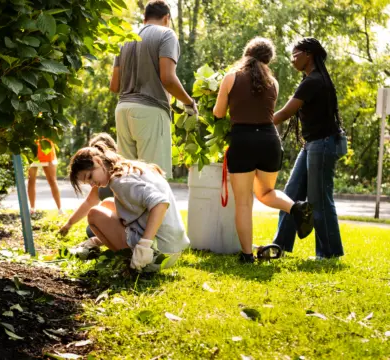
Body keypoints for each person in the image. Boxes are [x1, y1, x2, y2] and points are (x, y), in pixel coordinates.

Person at [213, 37, 315, 263]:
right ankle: (296, 208)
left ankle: (247, 256)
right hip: (269, 140)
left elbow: (219, 113)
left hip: (243, 140)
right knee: (265, 193)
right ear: (268, 59)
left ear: (246, 53)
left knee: (243, 203)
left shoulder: (231, 77)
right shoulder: (274, 83)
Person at [272, 38, 348, 259]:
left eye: (295, 54)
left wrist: (258, 124)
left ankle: (329, 253)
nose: (292, 59)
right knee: (291, 194)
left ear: (308, 54)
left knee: (319, 200)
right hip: (313, 145)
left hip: (323, 144)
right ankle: (281, 245)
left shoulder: (313, 81)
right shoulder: (313, 79)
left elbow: (285, 113)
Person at [67, 142, 189, 271]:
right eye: (88, 183)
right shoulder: (132, 167)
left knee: (94, 214)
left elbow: (160, 203)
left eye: (90, 177)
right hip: (173, 250)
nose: (92, 185)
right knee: (107, 204)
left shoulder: (119, 181)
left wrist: (144, 245)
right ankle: (96, 242)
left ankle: (128, 262)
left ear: (98, 161)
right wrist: (97, 240)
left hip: (155, 256)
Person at [109, 0, 197, 177]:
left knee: (127, 178)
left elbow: (114, 86)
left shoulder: (125, 39)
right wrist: (189, 103)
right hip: (150, 112)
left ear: (144, 18)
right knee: (154, 179)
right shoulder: (166, 35)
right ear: (167, 18)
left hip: (123, 111)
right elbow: (168, 79)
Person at [58, 133, 117, 254]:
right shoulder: (100, 180)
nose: (92, 184)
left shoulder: (121, 176)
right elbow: (90, 202)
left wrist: (96, 241)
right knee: (92, 229)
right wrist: (69, 224)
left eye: (90, 177)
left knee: (94, 228)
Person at [27, 138, 63, 215]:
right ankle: (32, 208)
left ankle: (60, 209)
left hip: (47, 150)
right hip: (33, 151)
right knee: (31, 180)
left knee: (52, 180)